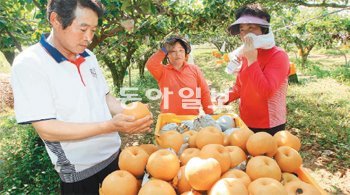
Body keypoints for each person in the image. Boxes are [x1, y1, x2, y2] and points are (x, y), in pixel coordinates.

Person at [10, 0, 153, 194]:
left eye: (93, 30)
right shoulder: (30, 64)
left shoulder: (88, 56)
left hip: (114, 156)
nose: (89, 38)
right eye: (83, 29)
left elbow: (105, 97)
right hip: (80, 170)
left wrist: (130, 116)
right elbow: (47, 129)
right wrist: (110, 126)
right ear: (56, 20)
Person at [218, 4, 290, 135]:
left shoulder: (278, 56)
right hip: (246, 120)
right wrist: (226, 97)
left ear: (264, 29)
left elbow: (266, 91)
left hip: (269, 124)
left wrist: (252, 60)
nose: (246, 35)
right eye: (242, 29)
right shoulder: (247, 54)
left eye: (251, 28)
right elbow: (242, 85)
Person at [146, 35, 214, 115]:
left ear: (185, 53)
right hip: (169, 119)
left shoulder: (194, 69)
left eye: (181, 50)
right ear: (167, 55)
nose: (178, 54)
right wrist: (164, 49)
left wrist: (210, 113)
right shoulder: (163, 71)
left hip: (191, 119)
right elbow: (151, 64)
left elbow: (204, 92)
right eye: (173, 51)